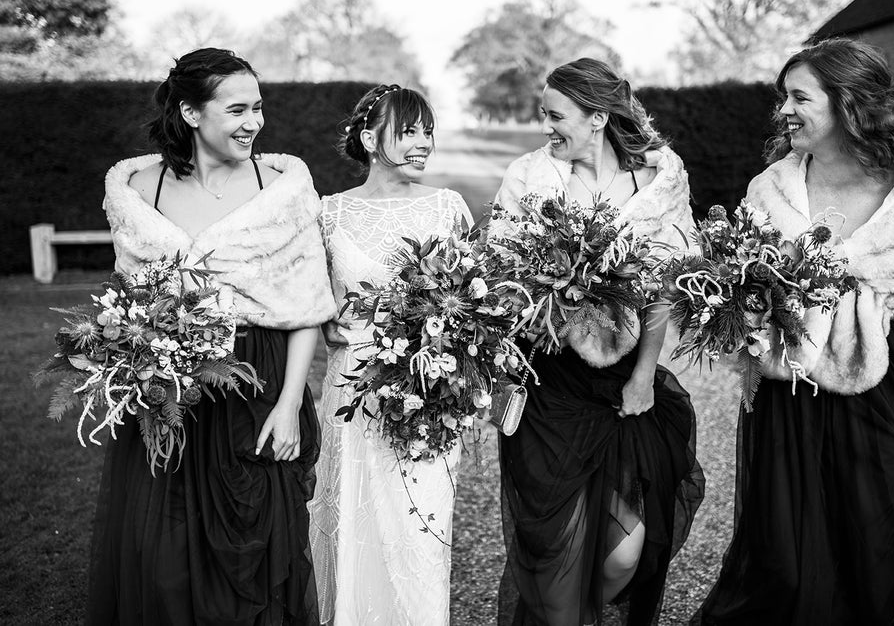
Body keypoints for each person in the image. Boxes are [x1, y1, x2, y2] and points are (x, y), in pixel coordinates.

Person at [692, 38, 894, 625]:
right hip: (788, 392)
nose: (784, 110)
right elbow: (746, 288)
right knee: (786, 558)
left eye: (800, 97)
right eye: (783, 97)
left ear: (849, 103)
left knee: (880, 554)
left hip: (888, 391)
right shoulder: (769, 189)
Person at [89, 47, 335, 625]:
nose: (254, 122)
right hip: (169, 394)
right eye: (237, 109)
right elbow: (132, 301)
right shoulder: (137, 191)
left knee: (256, 548)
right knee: (164, 556)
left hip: (259, 384)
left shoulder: (282, 185)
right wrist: (137, 363)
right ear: (192, 113)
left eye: (259, 108)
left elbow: (304, 307)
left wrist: (291, 403)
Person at [492, 57, 706, 626]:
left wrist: (642, 376)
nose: (546, 128)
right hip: (549, 383)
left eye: (556, 115)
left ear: (597, 117)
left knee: (624, 551)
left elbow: (668, 283)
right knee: (558, 548)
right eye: (544, 115)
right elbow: (501, 277)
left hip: (623, 386)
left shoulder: (657, 183)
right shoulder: (527, 177)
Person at [308, 84, 473, 626]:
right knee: (353, 525)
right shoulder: (328, 215)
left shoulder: (448, 207)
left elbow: (476, 301)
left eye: (427, 130)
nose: (423, 142)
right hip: (351, 387)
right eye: (408, 131)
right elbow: (308, 305)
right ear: (368, 137)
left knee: (421, 532)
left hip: (429, 391)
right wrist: (330, 322)